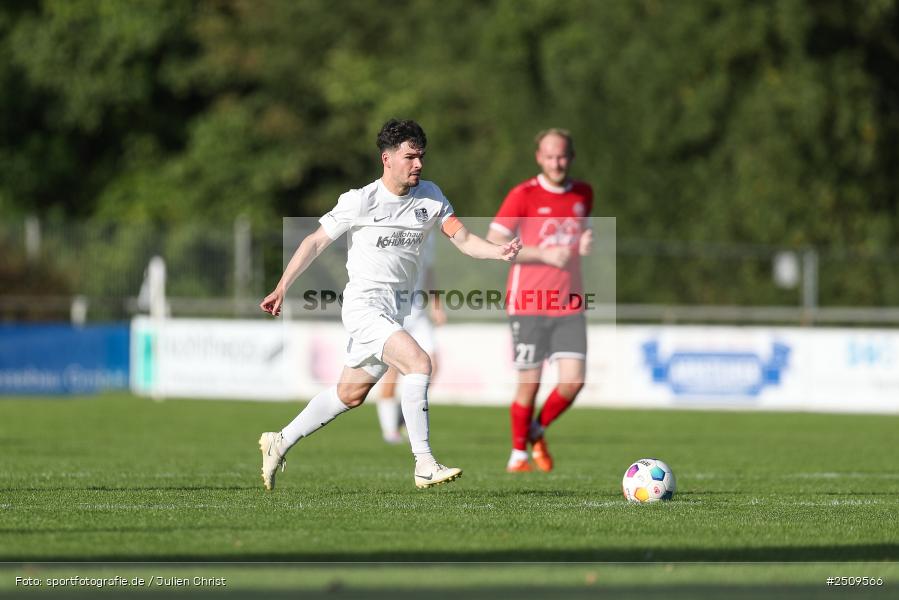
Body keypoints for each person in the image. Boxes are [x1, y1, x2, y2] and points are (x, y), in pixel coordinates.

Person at [259, 119, 521, 490]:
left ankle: (279, 441)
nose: (418, 164)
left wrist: (498, 252)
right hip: (364, 308)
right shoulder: (361, 200)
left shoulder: (431, 197)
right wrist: (282, 286)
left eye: (421, 157)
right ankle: (425, 463)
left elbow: (462, 239)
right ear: (387, 158)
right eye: (410, 157)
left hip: (396, 310)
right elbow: (315, 242)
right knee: (419, 362)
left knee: (349, 394)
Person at [486, 128, 593, 473]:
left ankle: (536, 429)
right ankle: (518, 455)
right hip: (528, 302)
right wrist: (544, 255)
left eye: (561, 156)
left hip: (569, 302)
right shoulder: (523, 195)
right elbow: (495, 242)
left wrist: (587, 243)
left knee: (573, 381)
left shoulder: (583, 194)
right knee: (528, 384)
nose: (556, 162)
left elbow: (578, 237)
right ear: (539, 158)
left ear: (571, 157)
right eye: (549, 156)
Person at [375, 232, 446, 444]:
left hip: (419, 314)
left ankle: (407, 413)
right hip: (395, 313)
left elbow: (429, 271)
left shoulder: (429, 236)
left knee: (433, 365)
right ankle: (390, 432)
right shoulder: (394, 228)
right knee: (392, 372)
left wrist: (436, 304)